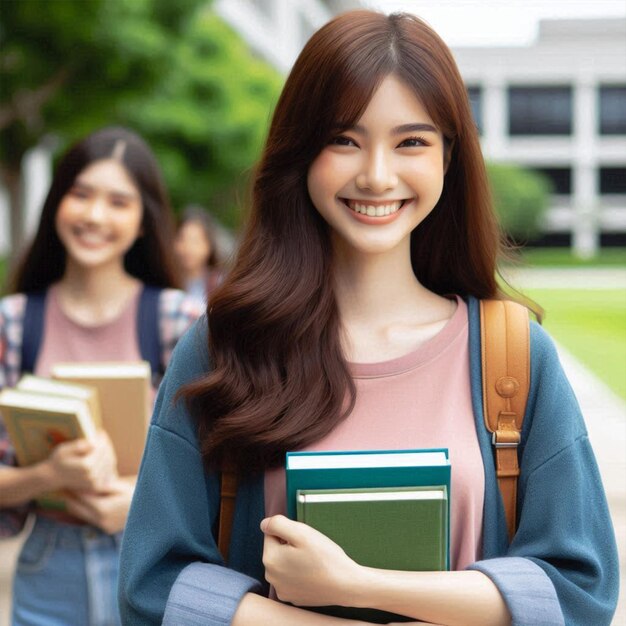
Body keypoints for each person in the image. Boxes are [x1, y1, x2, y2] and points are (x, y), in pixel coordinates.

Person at [118, 11, 619, 626]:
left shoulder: (511, 355)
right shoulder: (226, 345)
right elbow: (153, 582)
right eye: (344, 140)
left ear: (448, 158)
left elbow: (579, 587)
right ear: (300, 154)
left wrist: (358, 584)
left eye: (411, 141)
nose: (377, 175)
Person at [0, 127, 202, 626]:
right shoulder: (13, 322)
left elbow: (219, 463)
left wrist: (139, 502)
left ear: (142, 222)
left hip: (153, 565)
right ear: (56, 205)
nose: (94, 215)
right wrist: (50, 476)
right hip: (49, 567)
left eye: (117, 202)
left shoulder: (181, 321)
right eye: (81, 195)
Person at [174, 205, 225, 303]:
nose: (188, 247)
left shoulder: (219, 284)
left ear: (209, 245)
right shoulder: (165, 281)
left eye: (196, 241)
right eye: (182, 239)